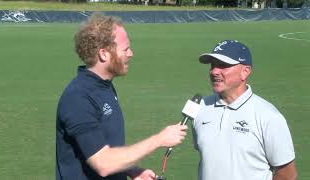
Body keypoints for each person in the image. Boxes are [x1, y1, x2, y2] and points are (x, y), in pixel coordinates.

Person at [56, 14, 188, 180]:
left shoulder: (104, 86)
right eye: (125, 49)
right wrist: (159, 139)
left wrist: (131, 170)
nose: (131, 53)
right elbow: (103, 163)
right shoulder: (78, 98)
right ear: (104, 54)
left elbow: (104, 145)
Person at [192, 40, 297, 180]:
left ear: (245, 72)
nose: (214, 72)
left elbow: (287, 174)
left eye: (223, 66)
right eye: (213, 65)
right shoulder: (201, 108)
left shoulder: (268, 116)